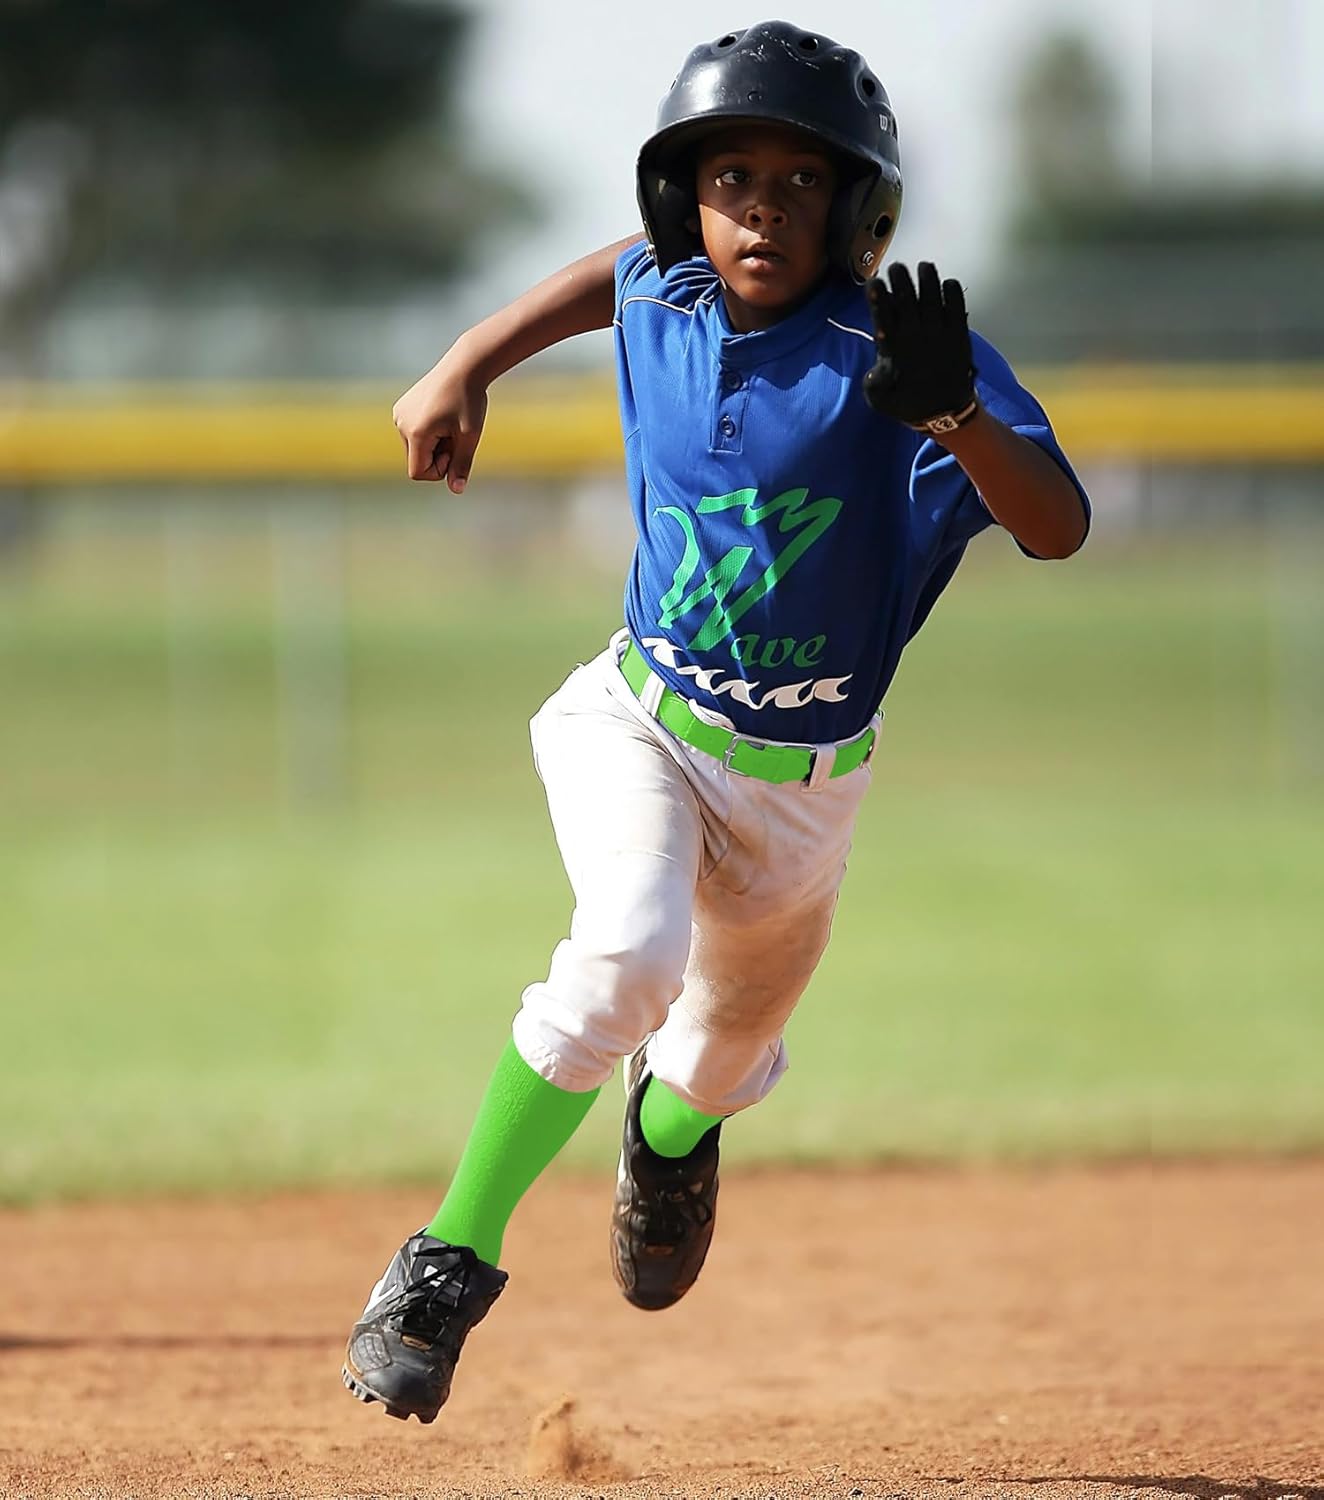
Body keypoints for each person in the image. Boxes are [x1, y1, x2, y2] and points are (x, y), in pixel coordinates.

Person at [342, 19, 1090, 1425]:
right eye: (728, 175)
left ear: (858, 208)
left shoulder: (906, 359)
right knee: (624, 954)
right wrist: (465, 362)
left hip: (806, 795)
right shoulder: (667, 302)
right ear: (683, 199)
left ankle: (668, 1138)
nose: (759, 206)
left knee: (710, 1066)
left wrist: (957, 424)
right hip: (641, 721)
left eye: (799, 181)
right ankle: (445, 1262)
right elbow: (606, 282)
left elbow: (1058, 527)